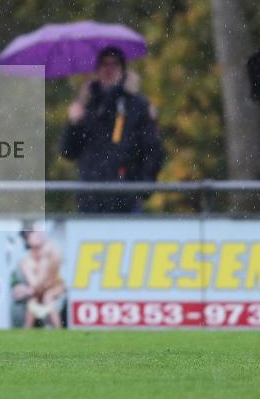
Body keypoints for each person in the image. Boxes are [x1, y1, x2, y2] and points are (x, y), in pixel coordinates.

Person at [60, 47, 164, 213]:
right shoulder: (86, 106)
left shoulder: (137, 105)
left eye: (114, 64)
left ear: (122, 70)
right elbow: (68, 152)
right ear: (97, 69)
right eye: (104, 64)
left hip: (126, 199)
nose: (108, 70)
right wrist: (73, 123)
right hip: (90, 199)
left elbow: (153, 150)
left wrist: (143, 187)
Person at [10, 227, 66, 329]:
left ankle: (58, 331)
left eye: (36, 233)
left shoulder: (52, 251)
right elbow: (35, 283)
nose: (37, 235)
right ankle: (26, 333)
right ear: (27, 241)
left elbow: (52, 278)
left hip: (54, 288)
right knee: (33, 300)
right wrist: (29, 290)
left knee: (48, 296)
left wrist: (28, 290)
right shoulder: (27, 261)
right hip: (38, 291)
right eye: (32, 234)